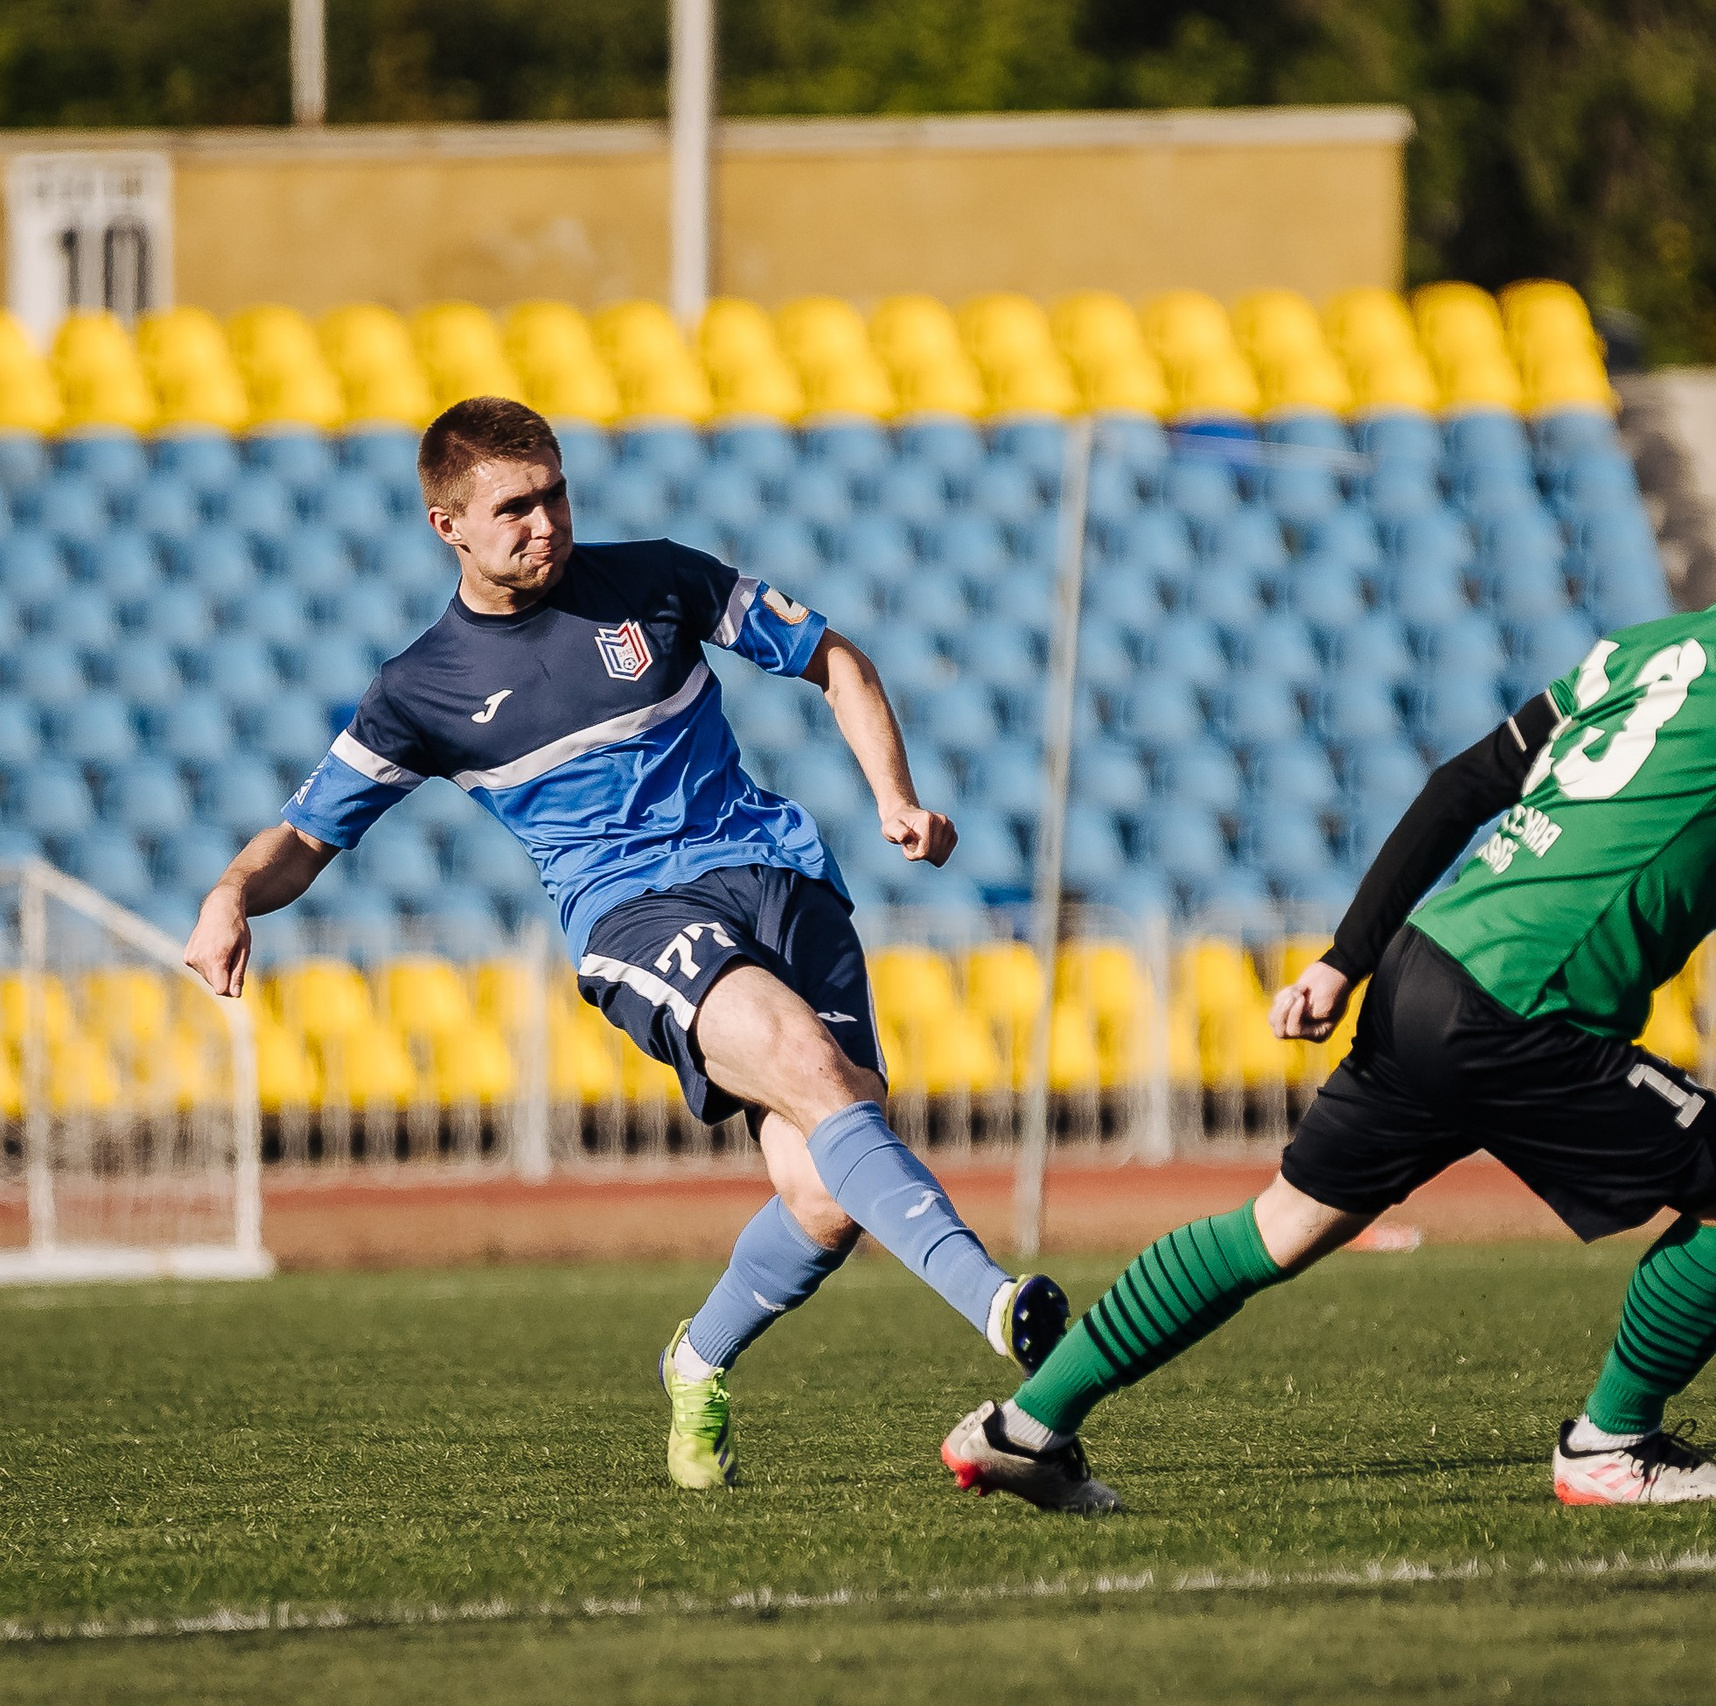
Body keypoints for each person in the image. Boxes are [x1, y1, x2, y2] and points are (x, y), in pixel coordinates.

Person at [937, 446, 1716, 1512]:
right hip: (1523, 1007)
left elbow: (1461, 783)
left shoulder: (1636, 650)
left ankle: (1025, 1423)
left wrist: (1343, 954)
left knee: (1279, 1226)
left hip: (1426, 963)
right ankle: (1610, 1444)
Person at [181, 397, 1068, 1490]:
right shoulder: (419, 690)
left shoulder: (657, 577)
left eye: (555, 493)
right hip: (633, 912)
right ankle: (998, 1303)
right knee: (807, 1065)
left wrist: (896, 797)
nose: (546, 521)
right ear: (447, 526)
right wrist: (231, 894)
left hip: (784, 879)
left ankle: (696, 1358)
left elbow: (833, 657)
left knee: (825, 1197)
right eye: (515, 507)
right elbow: (306, 835)